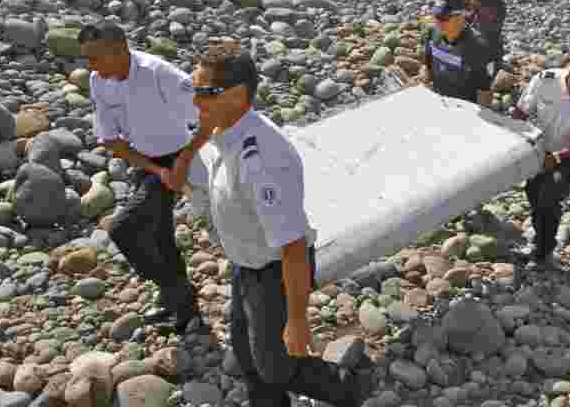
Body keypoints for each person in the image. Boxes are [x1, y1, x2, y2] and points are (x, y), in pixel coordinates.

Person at [165, 39, 377, 407]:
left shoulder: (262, 162)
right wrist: (186, 159)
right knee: (248, 356)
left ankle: (351, 386)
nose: (194, 100)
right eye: (192, 88)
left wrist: (297, 322)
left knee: (276, 365)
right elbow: (203, 132)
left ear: (236, 95)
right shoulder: (220, 122)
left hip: (275, 272)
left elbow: (293, 247)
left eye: (203, 91)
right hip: (246, 266)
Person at [78, 21, 206, 334]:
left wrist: (179, 166)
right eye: (87, 58)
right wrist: (154, 170)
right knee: (158, 236)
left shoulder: (159, 73)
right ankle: (183, 308)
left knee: (123, 229)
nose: (89, 66)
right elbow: (110, 140)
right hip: (147, 162)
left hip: (179, 157)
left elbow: (207, 117)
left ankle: (179, 295)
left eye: (95, 57)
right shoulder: (99, 81)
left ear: (120, 50)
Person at [511, 55, 570, 268]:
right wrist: (513, 138)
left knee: (549, 197)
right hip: (538, 149)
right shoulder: (546, 80)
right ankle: (539, 240)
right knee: (534, 195)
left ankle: (543, 251)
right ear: (569, 74)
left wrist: (556, 158)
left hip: (568, 157)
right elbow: (521, 111)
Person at [419, 0, 494, 106]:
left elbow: (485, 92)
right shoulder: (432, 33)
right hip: (438, 102)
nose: (437, 21)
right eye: (435, 16)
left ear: (460, 18)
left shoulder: (477, 47)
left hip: (464, 109)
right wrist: (424, 81)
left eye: (443, 18)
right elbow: (427, 66)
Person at [446, 0, 507, 79]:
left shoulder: (496, 4)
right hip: (478, 49)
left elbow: (489, 29)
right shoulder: (477, 1)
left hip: (488, 53)